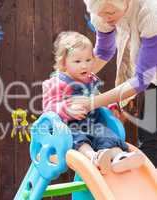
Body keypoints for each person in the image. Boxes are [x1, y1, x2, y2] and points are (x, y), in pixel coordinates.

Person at [42, 31, 144, 174]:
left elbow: (97, 97)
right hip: (68, 128)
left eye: (88, 60)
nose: (84, 66)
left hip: (93, 125)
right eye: (77, 61)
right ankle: (94, 157)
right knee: (79, 138)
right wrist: (67, 109)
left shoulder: (90, 80)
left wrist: (110, 106)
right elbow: (48, 107)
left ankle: (118, 157)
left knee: (107, 135)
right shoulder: (58, 82)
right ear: (64, 63)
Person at [69, 0, 157, 165]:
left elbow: (141, 80)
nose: (106, 19)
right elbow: (104, 51)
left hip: (147, 77)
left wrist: (91, 103)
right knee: (149, 141)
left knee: (153, 145)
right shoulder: (102, 11)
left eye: (110, 14)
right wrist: (70, 79)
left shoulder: (151, 12)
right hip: (150, 80)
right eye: (102, 14)